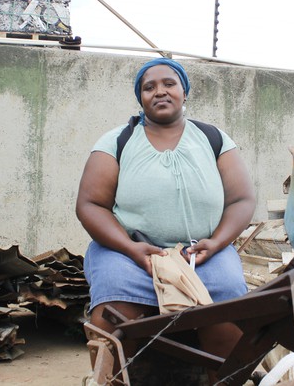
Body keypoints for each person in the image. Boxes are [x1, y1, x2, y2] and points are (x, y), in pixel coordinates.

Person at [75, 57, 256, 366]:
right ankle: (112, 377)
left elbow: (241, 200)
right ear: (141, 98)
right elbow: (90, 205)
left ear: (184, 92)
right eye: (149, 87)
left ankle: (224, 378)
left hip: (202, 254)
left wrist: (217, 242)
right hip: (129, 255)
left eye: (169, 84)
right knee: (113, 310)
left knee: (226, 303)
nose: (159, 92)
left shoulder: (214, 139)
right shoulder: (117, 141)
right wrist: (131, 249)